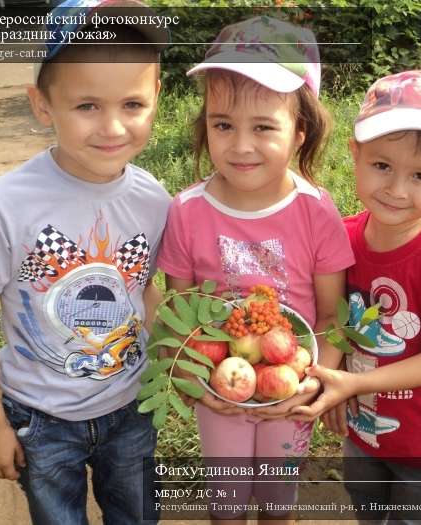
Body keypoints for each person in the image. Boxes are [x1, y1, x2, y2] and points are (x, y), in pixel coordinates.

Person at [0, 1, 171, 523]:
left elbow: (144, 288)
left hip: (132, 407)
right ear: (42, 104)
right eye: (87, 106)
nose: (113, 127)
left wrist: (174, 354)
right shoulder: (6, 204)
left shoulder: (155, 199)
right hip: (39, 418)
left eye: (133, 104)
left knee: (139, 516)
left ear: (157, 98)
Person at [156, 16, 355, 525]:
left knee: (276, 502)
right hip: (219, 387)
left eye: (263, 126)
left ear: (298, 133)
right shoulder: (187, 211)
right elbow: (179, 315)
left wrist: (317, 377)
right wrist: (194, 380)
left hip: (291, 390)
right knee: (225, 504)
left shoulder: (316, 210)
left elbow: (332, 315)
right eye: (223, 124)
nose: (240, 145)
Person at [291, 70, 421, 524]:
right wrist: (334, 373)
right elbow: (333, 320)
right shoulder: (340, 239)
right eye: (382, 165)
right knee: (367, 508)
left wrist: (354, 384)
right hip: (364, 432)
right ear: (355, 155)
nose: (397, 190)